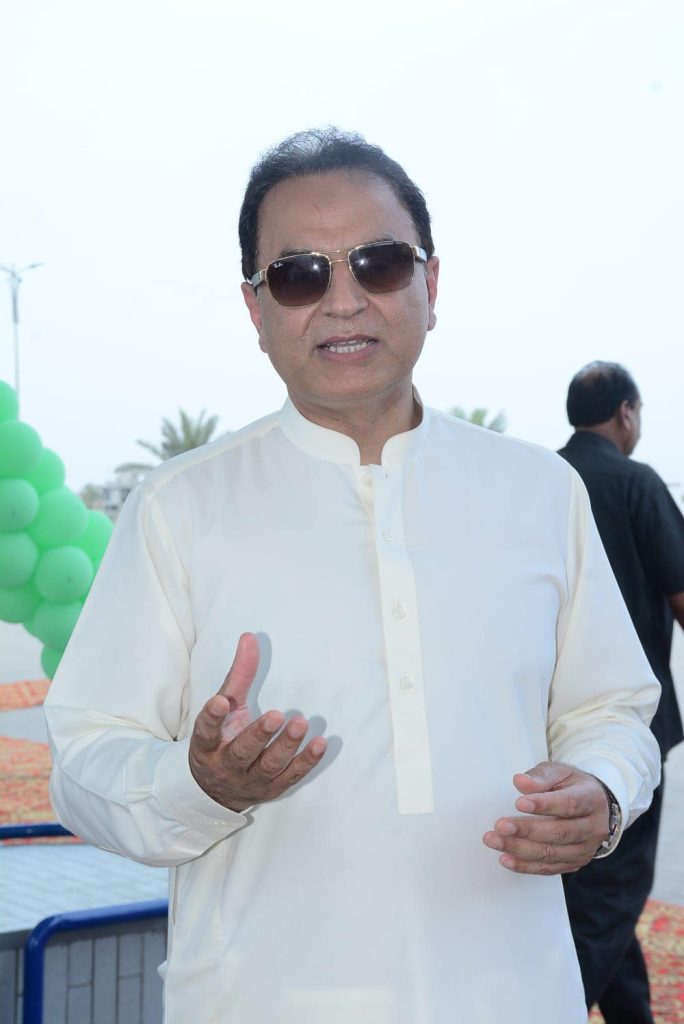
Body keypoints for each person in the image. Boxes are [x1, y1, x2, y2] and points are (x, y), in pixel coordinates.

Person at [45, 131, 661, 1024]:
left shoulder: (537, 491)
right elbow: (84, 762)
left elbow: (613, 709)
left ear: (430, 285)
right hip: (263, 1002)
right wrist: (200, 782)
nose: (343, 300)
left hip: (513, 993)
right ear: (255, 307)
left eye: (379, 262)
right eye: (299, 274)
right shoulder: (180, 508)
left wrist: (601, 788)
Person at [558, 361, 684, 1024]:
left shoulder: (544, 479)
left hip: (545, 726)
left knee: (588, 890)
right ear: (626, 413)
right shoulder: (636, 484)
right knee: (611, 895)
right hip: (624, 734)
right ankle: (548, 1006)